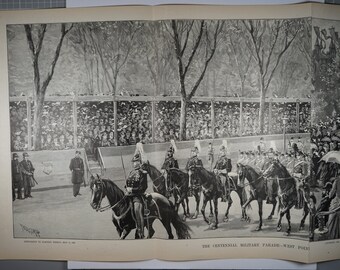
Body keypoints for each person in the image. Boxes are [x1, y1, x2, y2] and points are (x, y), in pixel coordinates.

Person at [125, 152, 148, 239]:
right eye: (134, 162)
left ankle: (140, 231)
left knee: (137, 210)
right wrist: (126, 188)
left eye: (137, 161)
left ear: (140, 162)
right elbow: (127, 183)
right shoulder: (131, 172)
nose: (135, 163)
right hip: (129, 195)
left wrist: (132, 190)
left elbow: (143, 187)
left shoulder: (143, 173)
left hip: (137, 196)